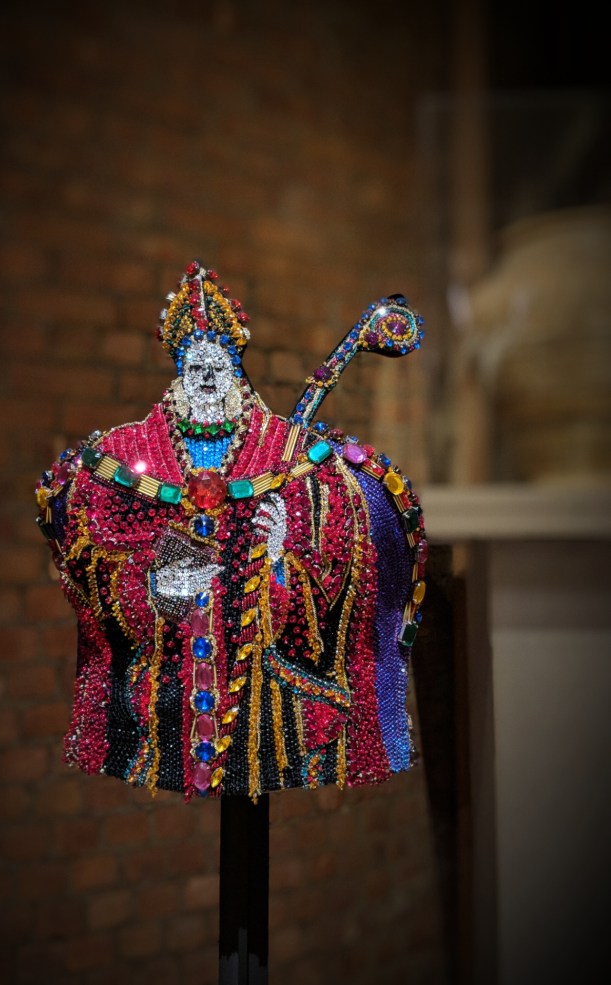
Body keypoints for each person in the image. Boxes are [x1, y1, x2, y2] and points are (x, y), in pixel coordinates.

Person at [36, 261, 426, 801]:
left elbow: (325, 580)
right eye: (195, 366)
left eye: (217, 364)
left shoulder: (291, 457)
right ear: (179, 371)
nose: (206, 377)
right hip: (166, 697)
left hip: (261, 697)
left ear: (234, 367)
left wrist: (278, 553)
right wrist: (155, 586)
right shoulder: (126, 457)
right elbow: (98, 558)